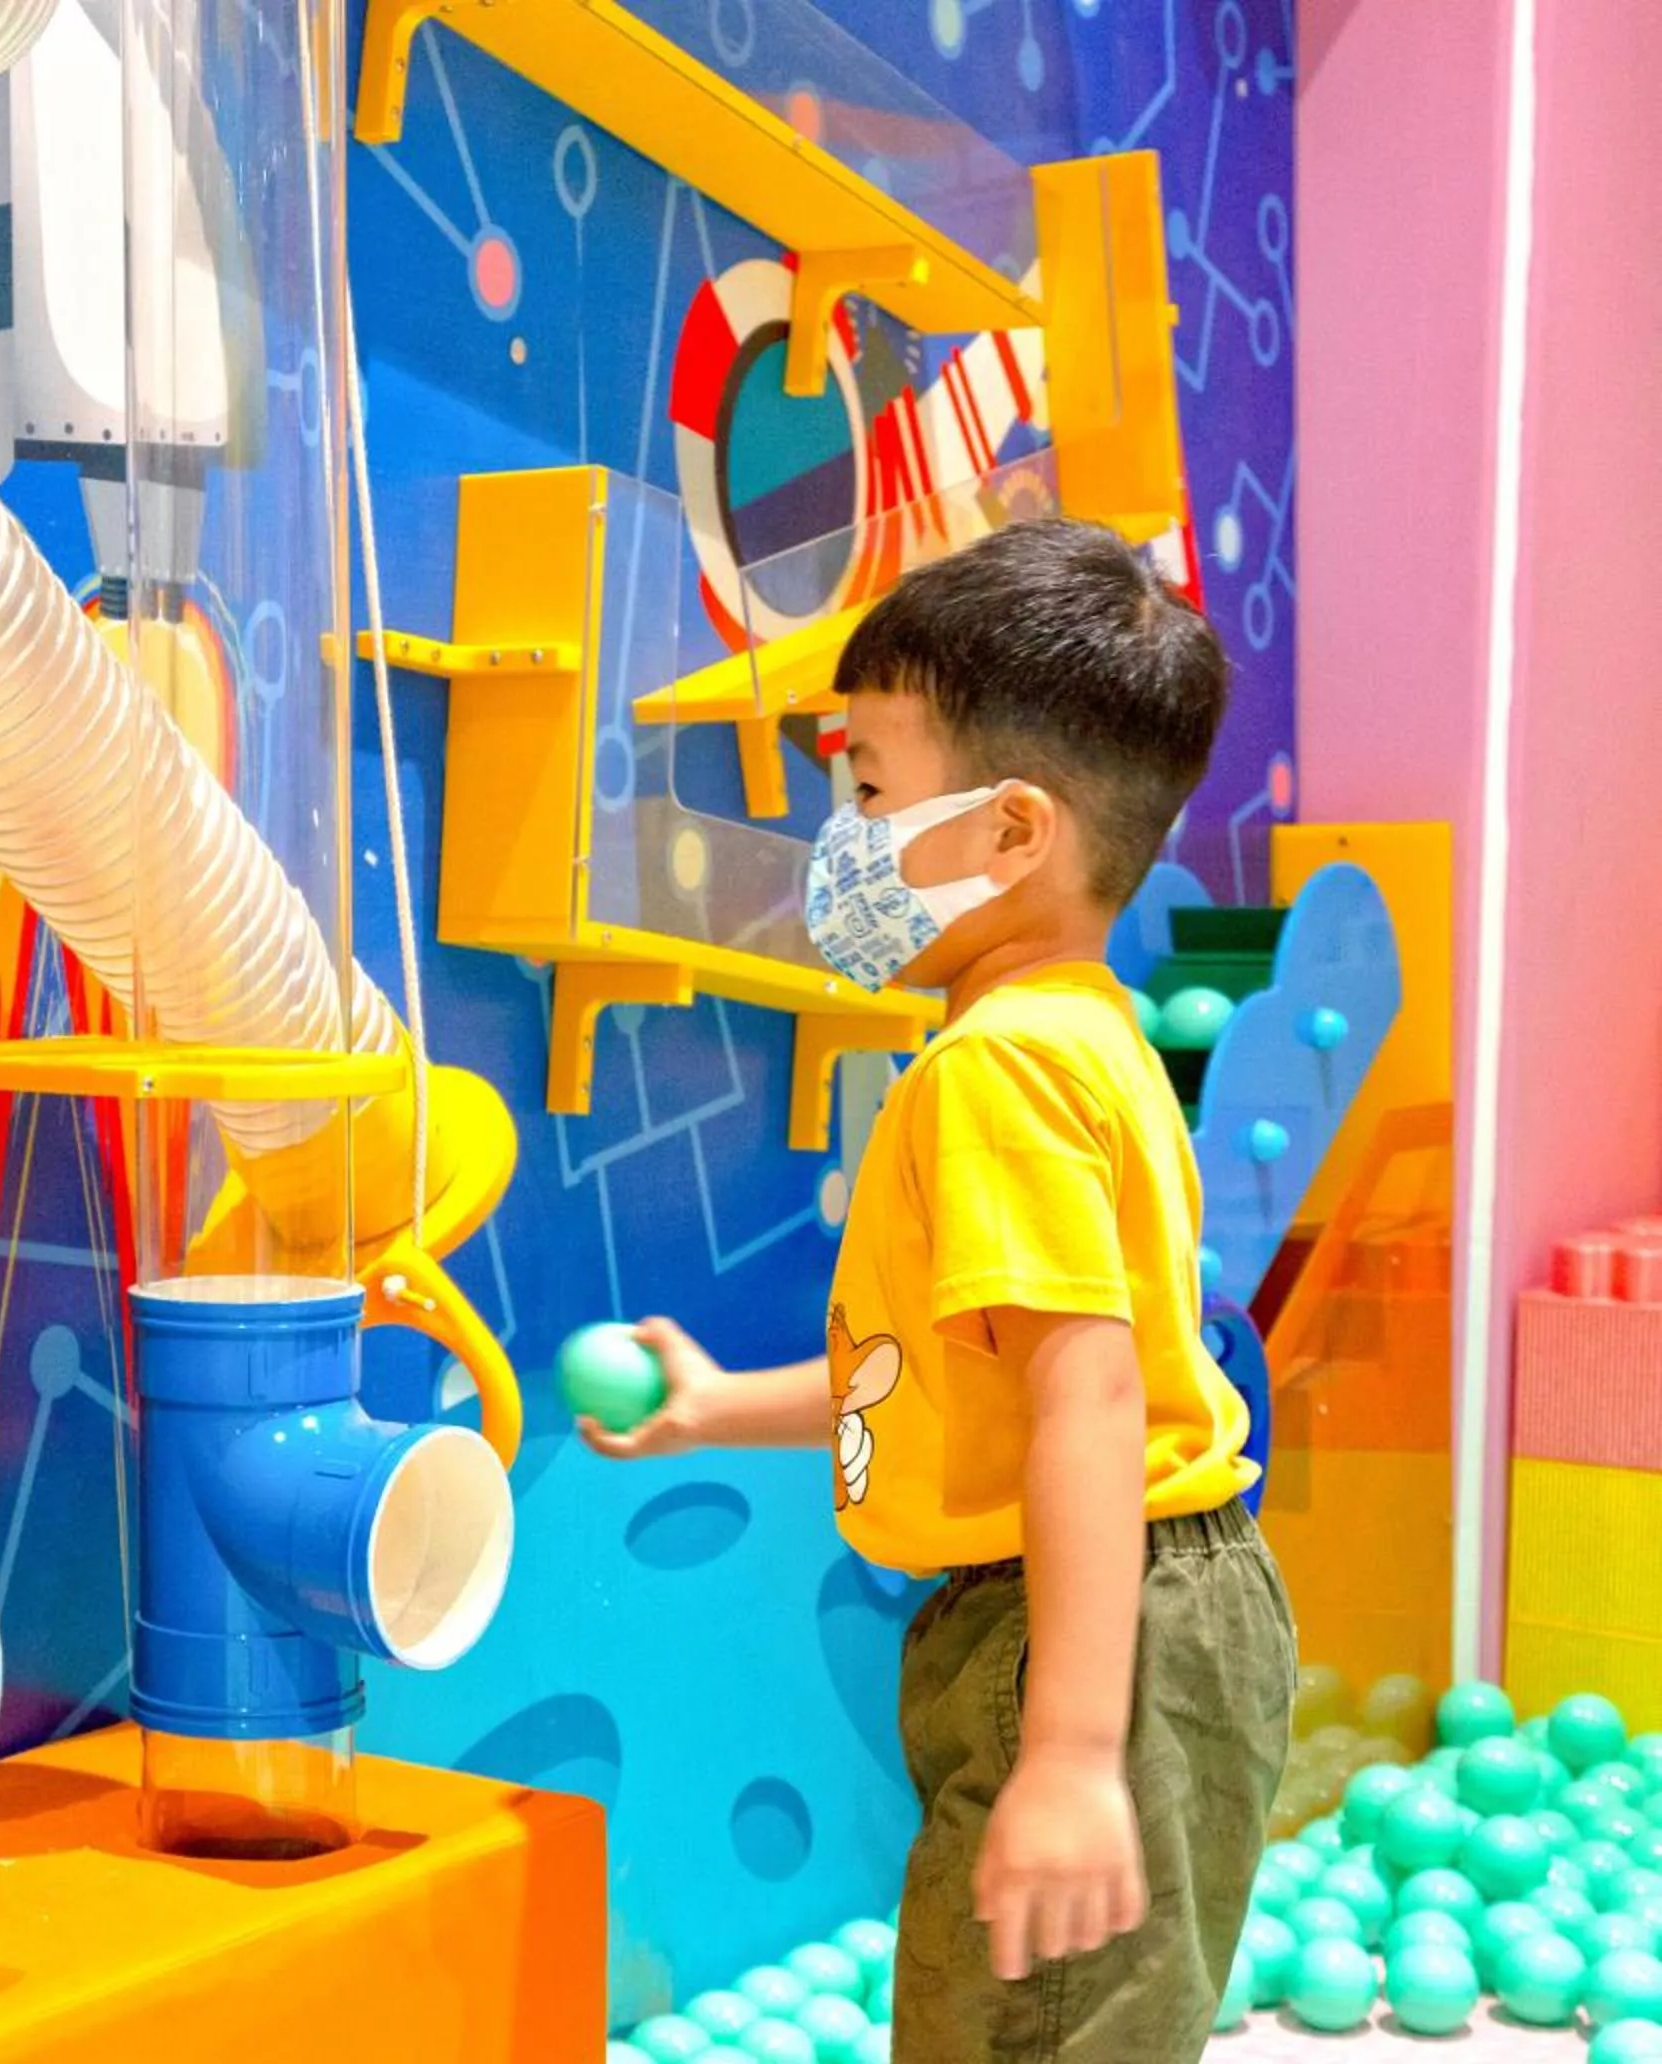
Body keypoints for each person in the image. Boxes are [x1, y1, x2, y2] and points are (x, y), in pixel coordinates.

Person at [584, 520, 1296, 2062]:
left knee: (1021, 2032)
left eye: (867, 789)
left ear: (1013, 831)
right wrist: (719, 1406)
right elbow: (940, 1367)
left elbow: (1088, 1401)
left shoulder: (1000, 1070)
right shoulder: (1085, 1033)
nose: (841, 837)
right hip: (1144, 1598)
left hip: (1084, 1616)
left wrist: (1070, 1748)